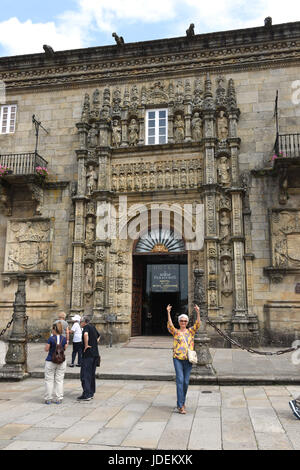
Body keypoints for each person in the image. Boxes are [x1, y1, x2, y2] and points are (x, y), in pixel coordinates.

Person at [167, 304, 200, 414]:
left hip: (188, 360)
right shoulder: (176, 332)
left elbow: (198, 324)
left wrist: (198, 312)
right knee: (180, 380)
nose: (183, 323)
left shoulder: (191, 331)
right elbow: (170, 325)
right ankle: (181, 405)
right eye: (181, 321)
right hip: (177, 359)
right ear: (179, 322)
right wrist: (168, 312)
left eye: (185, 321)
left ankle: (181, 402)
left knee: (186, 382)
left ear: (187, 322)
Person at [44, 322, 68, 405]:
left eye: (52, 329)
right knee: (59, 380)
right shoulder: (64, 339)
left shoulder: (51, 338)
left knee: (49, 380)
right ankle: (59, 398)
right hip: (61, 361)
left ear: (54, 329)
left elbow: (46, 349)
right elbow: (65, 348)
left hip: (50, 360)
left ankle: (48, 398)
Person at [78, 316, 100, 401]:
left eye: (81, 322)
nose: (80, 323)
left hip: (88, 355)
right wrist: (94, 343)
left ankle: (87, 394)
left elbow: (86, 334)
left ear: (84, 322)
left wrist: (86, 344)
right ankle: (91, 392)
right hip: (95, 354)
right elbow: (99, 336)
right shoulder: (93, 327)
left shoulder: (86, 327)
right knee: (91, 374)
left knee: (85, 375)